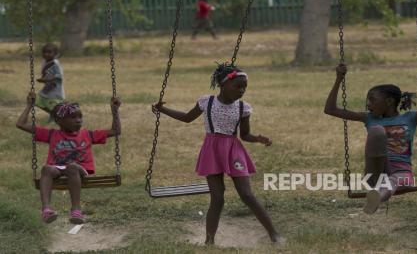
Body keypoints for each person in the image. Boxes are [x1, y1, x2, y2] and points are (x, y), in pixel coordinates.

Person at [152, 62, 282, 244]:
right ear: (222, 85)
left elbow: (244, 135)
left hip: (233, 149)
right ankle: (209, 241)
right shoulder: (207, 102)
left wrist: (258, 138)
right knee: (217, 197)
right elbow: (187, 118)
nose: (241, 91)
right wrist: (162, 109)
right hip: (212, 150)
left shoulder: (243, 107)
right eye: (237, 87)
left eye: (244, 87)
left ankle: (274, 234)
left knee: (247, 195)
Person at [324, 64, 417, 214]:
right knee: (377, 131)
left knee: (393, 181)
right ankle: (377, 193)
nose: (368, 104)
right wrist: (338, 79)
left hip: (402, 174)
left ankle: (376, 199)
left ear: (389, 102)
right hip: (375, 173)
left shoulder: (411, 118)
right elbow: (330, 109)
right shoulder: (368, 119)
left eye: (373, 100)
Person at [16, 92, 121, 224]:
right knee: (47, 169)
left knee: (72, 167)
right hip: (59, 169)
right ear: (59, 121)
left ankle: (76, 210)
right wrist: (29, 106)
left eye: (80, 117)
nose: (78, 120)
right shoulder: (51, 134)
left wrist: (115, 111)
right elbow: (20, 124)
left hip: (81, 170)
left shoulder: (88, 135)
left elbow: (116, 131)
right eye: (73, 117)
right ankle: (46, 210)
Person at [36, 43, 65, 122]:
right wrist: (43, 79)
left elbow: (59, 76)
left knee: (53, 103)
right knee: (37, 101)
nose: (46, 54)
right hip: (47, 87)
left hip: (55, 88)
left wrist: (46, 80)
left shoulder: (55, 63)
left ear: (55, 54)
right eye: (44, 52)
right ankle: (53, 114)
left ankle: (58, 115)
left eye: (49, 52)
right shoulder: (44, 62)